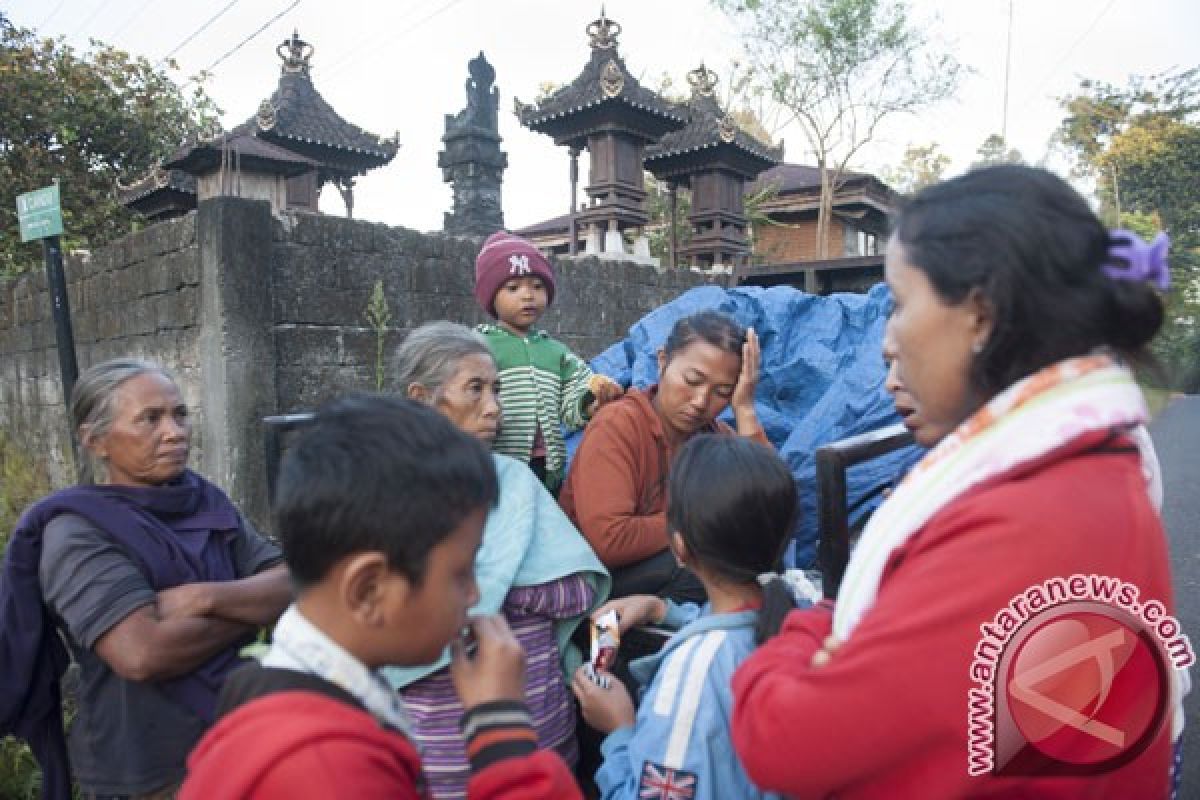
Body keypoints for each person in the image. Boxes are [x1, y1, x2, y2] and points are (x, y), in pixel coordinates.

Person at [731, 165, 1180, 797]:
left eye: (901, 302)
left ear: (981, 312)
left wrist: (803, 630)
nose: (888, 336)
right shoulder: (1086, 466)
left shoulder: (1027, 523)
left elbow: (784, 741)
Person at [180, 395, 582, 800]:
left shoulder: (293, 697)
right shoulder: (327, 773)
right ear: (368, 590)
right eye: (461, 574)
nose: (475, 594)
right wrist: (501, 729)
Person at [0, 358, 290, 800]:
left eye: (179, 414)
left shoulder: (204, 502)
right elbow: (142, 654)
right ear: (95, 440)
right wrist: (249, 608)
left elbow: (293, 581)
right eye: (150, 420)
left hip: (240, 737)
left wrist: (202, 597)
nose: (175, 432)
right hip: (151, 769)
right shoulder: (76, 533)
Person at [385, 321, 610, 799]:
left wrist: (485, 593)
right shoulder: (380, 493)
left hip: (540, 735)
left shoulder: (514, 482)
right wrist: (509, 588)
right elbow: (387, 618)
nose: (494, 408)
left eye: (496, 389)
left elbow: (578, 589)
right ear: (421, 397)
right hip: (437, 754)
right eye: (475, 389)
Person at [572, 435, 806, 800]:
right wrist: (662, 610)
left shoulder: (691, 678)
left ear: (679, 547)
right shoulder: (798, 612)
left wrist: (619, 729)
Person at [560, 309, 768, 604]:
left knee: (760, 565)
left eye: (722, 392)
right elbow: (610, 540)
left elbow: (770, 510)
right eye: (692, 380)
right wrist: (707, 521)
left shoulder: (713, 436)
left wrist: (745, 409)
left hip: (665, 566)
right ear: (662, 362)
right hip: (595, 587)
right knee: (712, 574)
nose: (700, 402)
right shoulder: (618, 425)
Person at [473, 231, 623, 491]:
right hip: (496, 464)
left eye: (537, 286)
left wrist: (592, 401)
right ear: (491, 297)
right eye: (513, 288)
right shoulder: (478, 347)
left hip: (547, 468)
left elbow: (574, 395)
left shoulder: (556, 352)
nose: (528, 295)